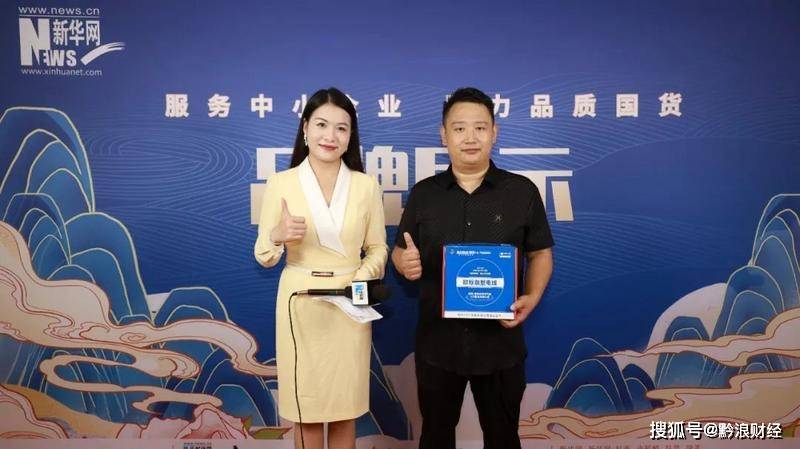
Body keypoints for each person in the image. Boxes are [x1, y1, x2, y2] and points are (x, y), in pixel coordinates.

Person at [391, 87, 554, 449]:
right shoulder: (424, 194)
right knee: (435, 438)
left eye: (480, 128)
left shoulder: (522, 192)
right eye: (459, 128)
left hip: (500, 345)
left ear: (494, 133)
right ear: (443, 135)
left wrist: (532, 296)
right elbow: (400, 251)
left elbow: (540, 253)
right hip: (438, 344)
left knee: (503, 438)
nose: (470, 137)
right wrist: (403, 263)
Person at [254, 87, 388, 449]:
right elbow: (264, 255)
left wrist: (360, 278)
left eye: (341, 128)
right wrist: (278, 235)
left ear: (351, 136)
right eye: (322, 125)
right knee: (306, 411)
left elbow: (378, 248)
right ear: (305, 128)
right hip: (300, 303)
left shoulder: (365, 186)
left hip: (349, 304)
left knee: (346, 408)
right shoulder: (281, 183)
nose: (331, 136)